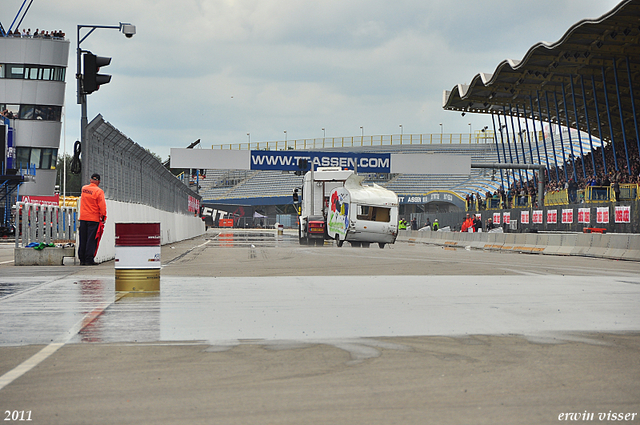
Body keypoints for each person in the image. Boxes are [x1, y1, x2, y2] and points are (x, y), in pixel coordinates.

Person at [78, 173, 107, 265]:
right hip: (93, 219)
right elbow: (102, 206)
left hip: (83, 218)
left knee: (83, 239)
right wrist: (103, 216)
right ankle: (89, 259)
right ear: (98, 182)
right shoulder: (99, 191)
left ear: (90, 180)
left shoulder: (84, 189)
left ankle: (82, 259)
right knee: (91, 239)